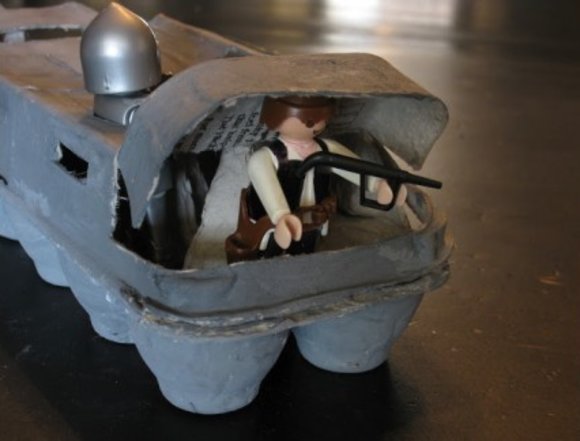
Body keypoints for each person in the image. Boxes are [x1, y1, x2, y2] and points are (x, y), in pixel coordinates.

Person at [228, 95, 406, 260]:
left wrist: (377, 184)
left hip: (313, 221)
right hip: (272, 226)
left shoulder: (325, 148)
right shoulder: (269, 156)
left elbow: (351, 166)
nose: (317, 124)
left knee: (306, 254)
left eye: (322, 118)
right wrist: (280, 215)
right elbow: (264, 180)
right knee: (270, 254)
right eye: (309, 120)